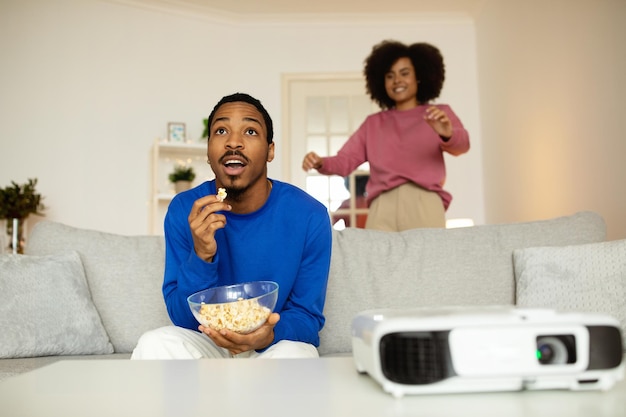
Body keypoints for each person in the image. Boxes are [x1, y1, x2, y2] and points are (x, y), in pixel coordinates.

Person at [132, 93, 332, 359]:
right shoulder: (185, 210)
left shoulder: (310, 215)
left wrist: (269, 334)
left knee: (298, 355)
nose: (234, 142)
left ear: (270, 150)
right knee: (154, 344)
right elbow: (182, 318)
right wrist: (202, 254)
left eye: (250, 131)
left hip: (271, 346)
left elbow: (307, 319)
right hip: (209, 344)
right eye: (221, 130)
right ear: (208, 150)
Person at [302, 40, 470, 231]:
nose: (397, 80)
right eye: (390, 76)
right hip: (382, 207)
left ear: (420, 77)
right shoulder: (373, 124)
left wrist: (447, 133)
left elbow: (462, 145)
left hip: (425, 202)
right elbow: (345, 161)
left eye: (405, 73)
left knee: (427, 260)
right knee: (378, 261)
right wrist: (320, 163)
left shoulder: (439, 113)